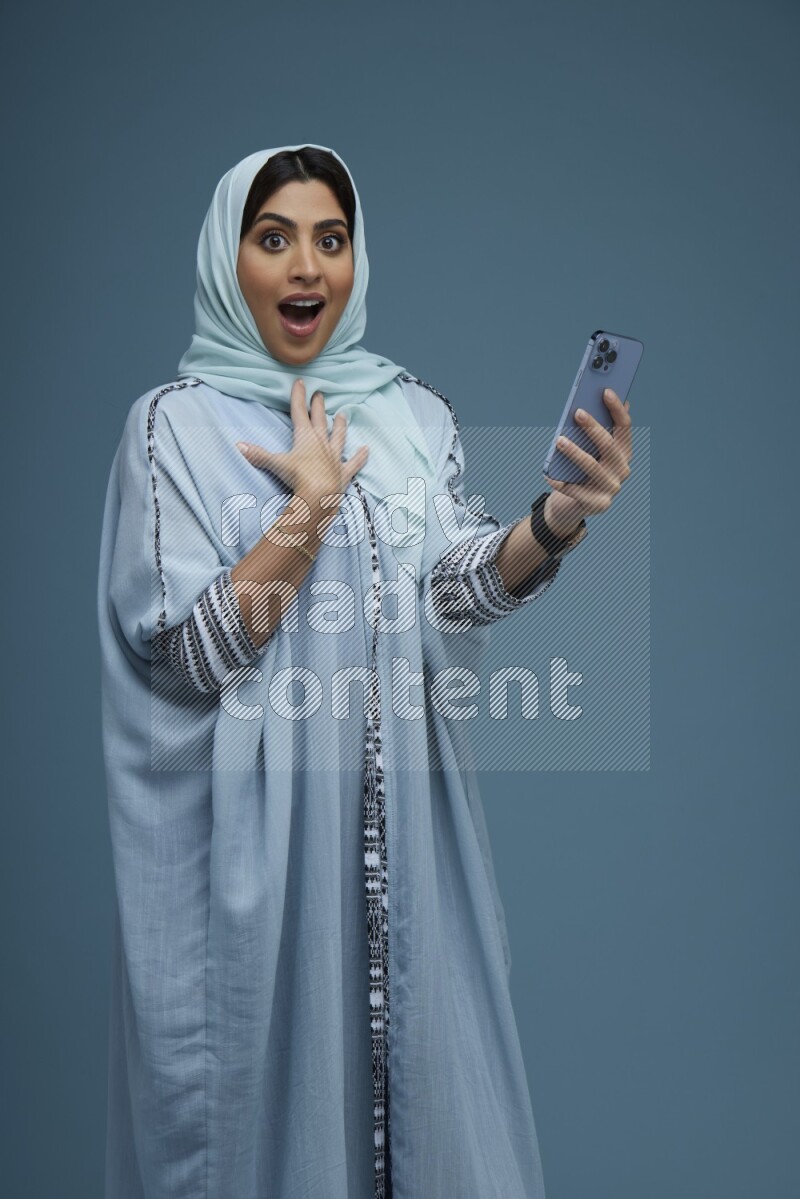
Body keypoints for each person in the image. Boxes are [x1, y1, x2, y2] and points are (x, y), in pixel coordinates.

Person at [97, 142, 632, 1199]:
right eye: (274, 238)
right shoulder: (173, 429)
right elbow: (196, 655)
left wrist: (558, 519)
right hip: (260, 869)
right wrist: (307, 510)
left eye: (330, 239)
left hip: (407, 856)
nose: (307, 266)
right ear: (228, 261)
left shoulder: (406, 414)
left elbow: (451, 591)